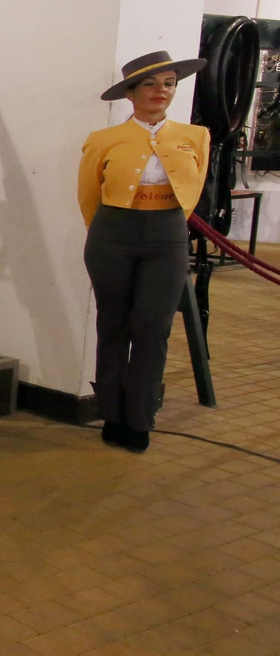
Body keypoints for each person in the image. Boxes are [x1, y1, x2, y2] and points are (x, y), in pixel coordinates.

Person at [79, 51, 211, 453]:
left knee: (153, 328)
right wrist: (109, 232)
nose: (161, 91)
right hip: (112, 233)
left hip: (167, 234)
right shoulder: (103, 140)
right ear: (131, 93)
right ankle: (112, 414)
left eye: (169, 83)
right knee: (113, 325)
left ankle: (139, 418)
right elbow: (88, 197)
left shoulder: (196, 137)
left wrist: (164, 223)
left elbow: (193, 191)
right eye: (150, 84)